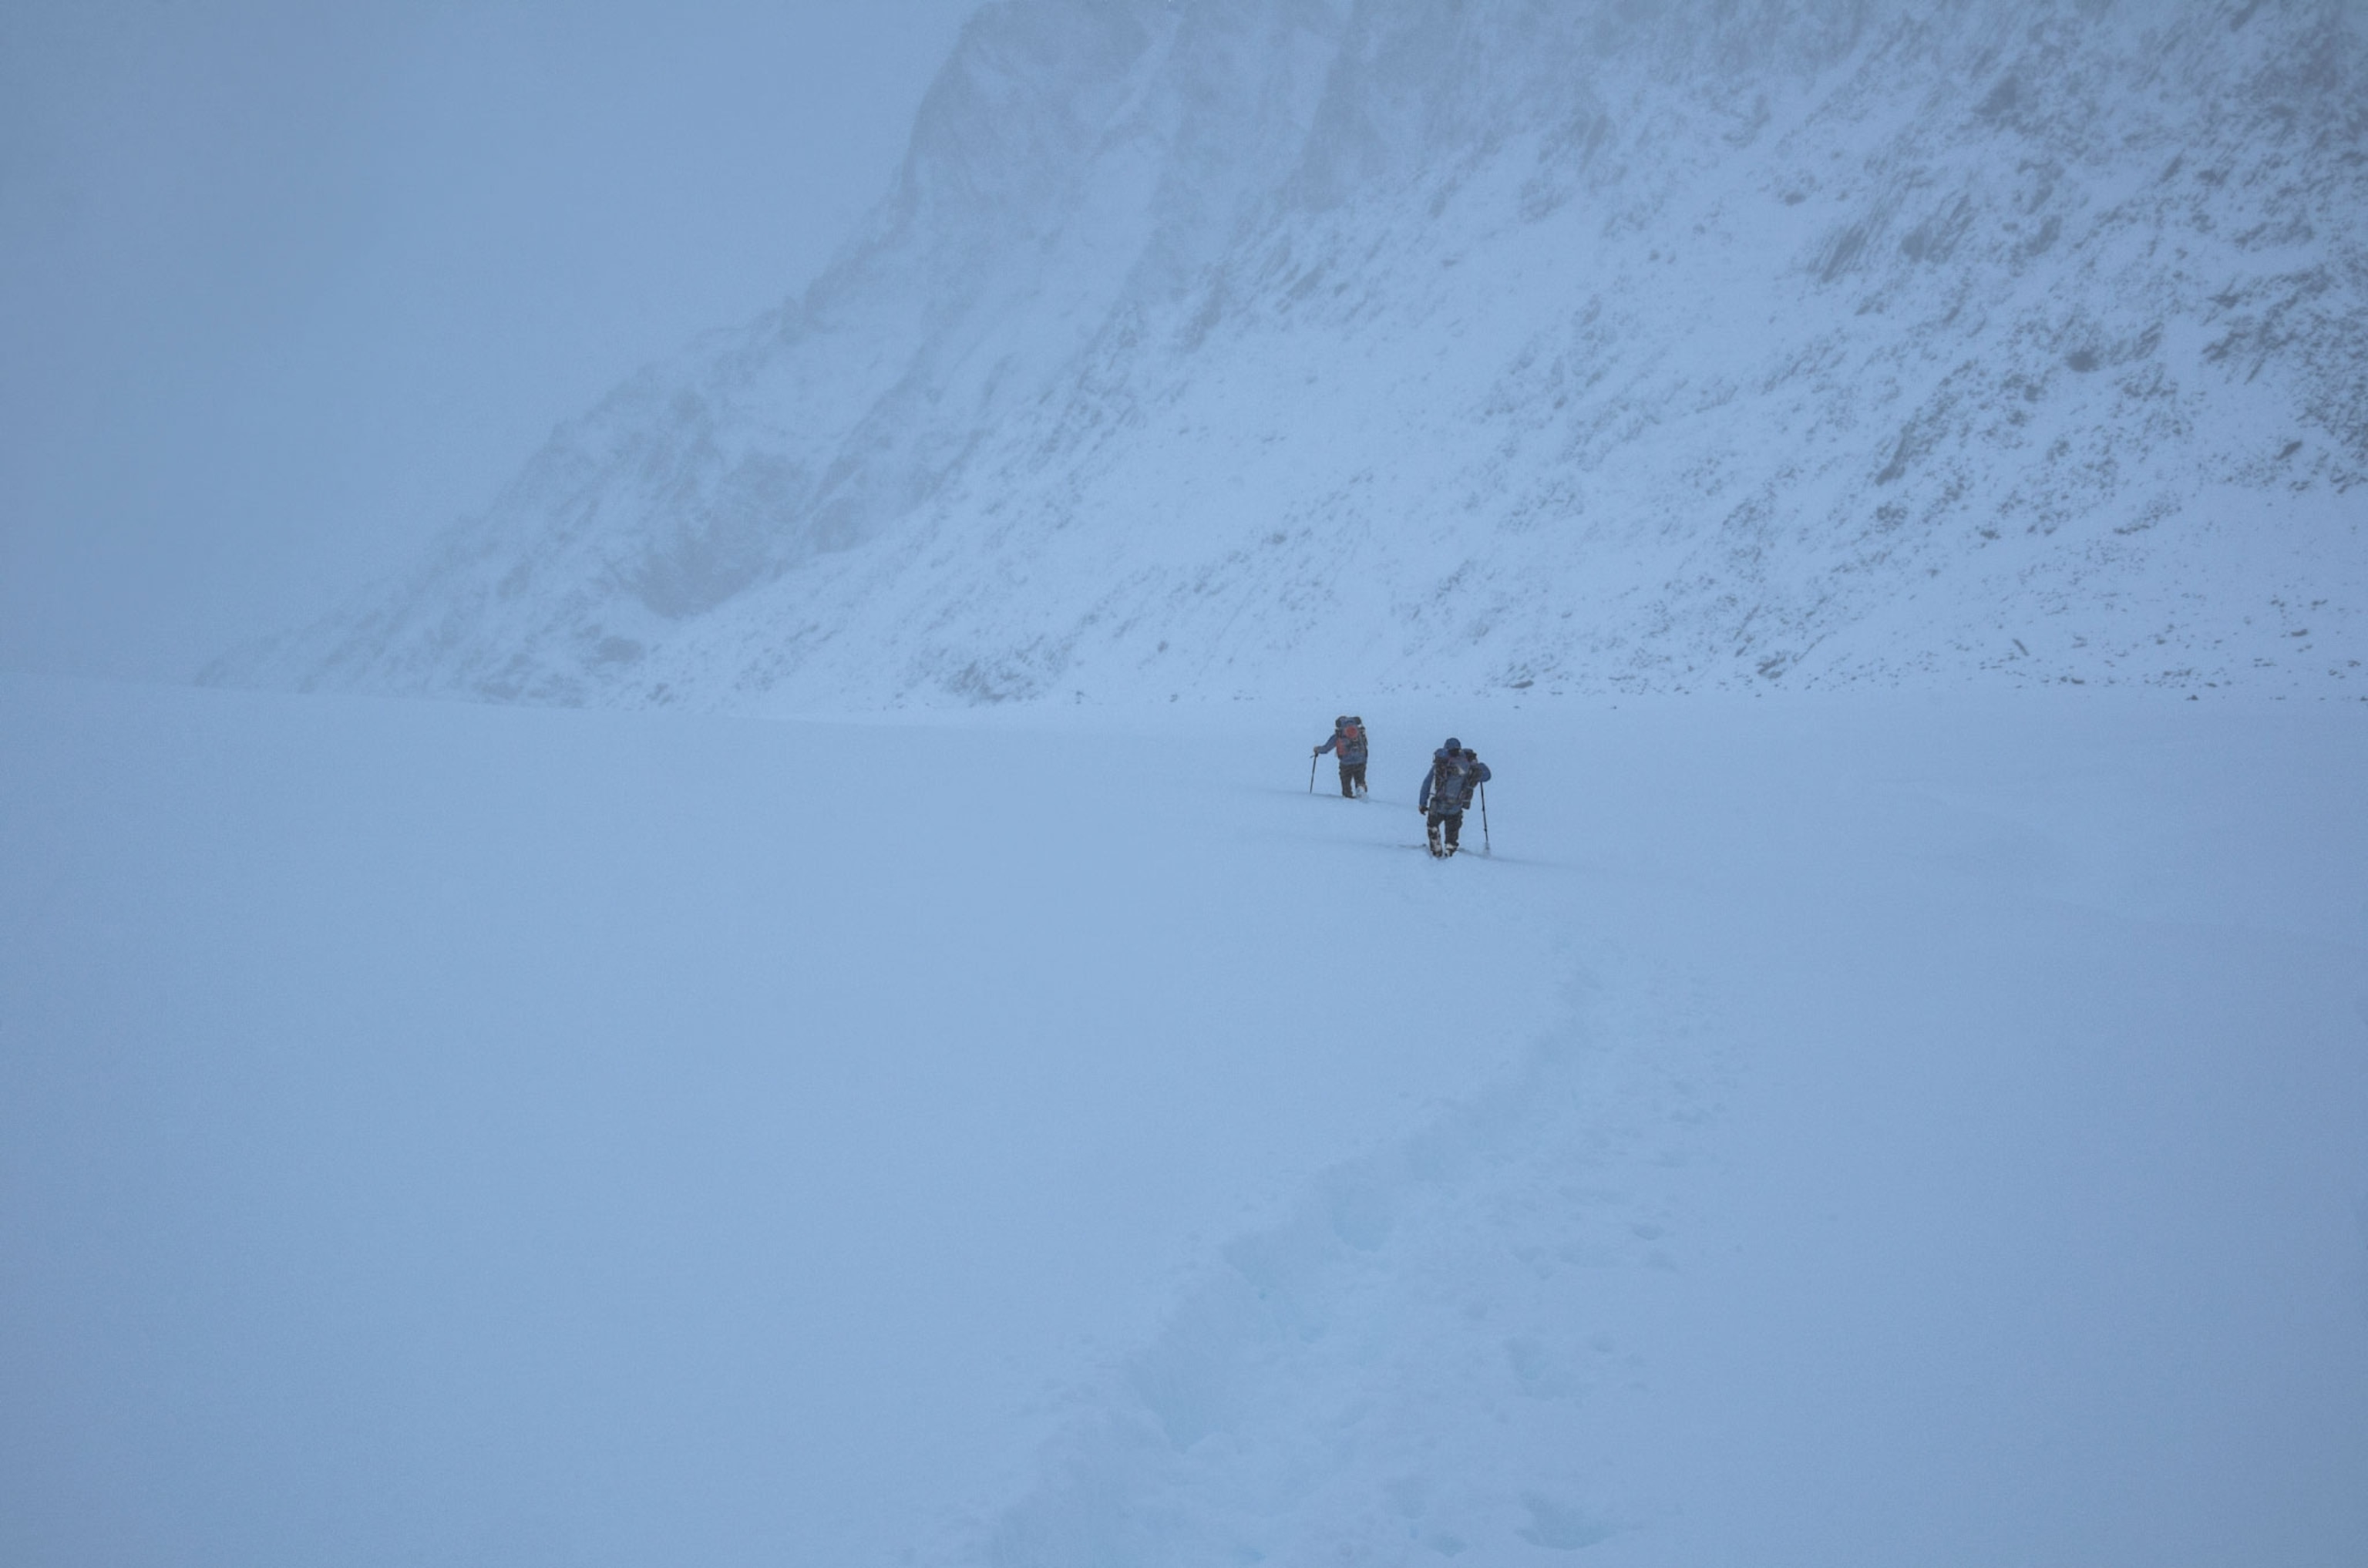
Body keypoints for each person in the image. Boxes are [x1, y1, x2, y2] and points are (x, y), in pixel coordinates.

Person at [1416, 737, 1490, 856]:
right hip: (1456, 807)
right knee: (1452, 833)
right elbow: (1487, 776)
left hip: (1438, 805)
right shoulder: (1468, 765)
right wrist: (1477, 763)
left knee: (1432, 825)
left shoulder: (1441, 763)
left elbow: (1427, 783)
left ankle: (1436, 850)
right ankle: (1451, 849)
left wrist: (1422, 803)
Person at [1313, 714, 1369, 797]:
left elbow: (1326, 749)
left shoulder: (1339, 734)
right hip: (1361, 760)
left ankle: (1348, 798)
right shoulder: (1359, 731)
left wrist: (1317, 749)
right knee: (1360, 779)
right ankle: (1361, 789)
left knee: (1346, 783)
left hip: (1346, 763)